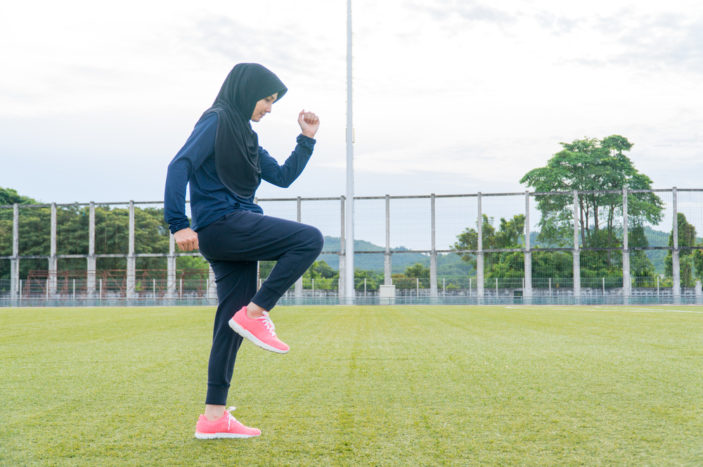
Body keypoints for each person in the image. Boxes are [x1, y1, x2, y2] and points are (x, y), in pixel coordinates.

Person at [164, 63, 323, 439]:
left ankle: (214, 417)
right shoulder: (217, 120)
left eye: (273, 102)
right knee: (308, 239)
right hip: (223, 224)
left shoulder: (246, 137)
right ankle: (256, 311)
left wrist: (308, 138)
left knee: (228, 326)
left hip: (233, 228)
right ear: (246, 91)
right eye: (267, 99)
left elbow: (282, 177)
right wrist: (177, 222)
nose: (269, 108)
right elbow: (179, 164)